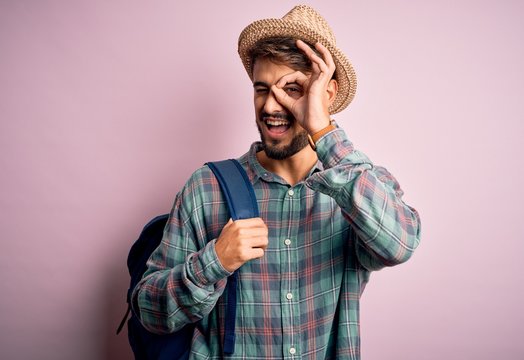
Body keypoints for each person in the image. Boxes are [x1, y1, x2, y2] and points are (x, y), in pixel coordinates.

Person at [132, 4, 421, 359]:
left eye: (292, 89)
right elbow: (149, 311)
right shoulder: (206, 188)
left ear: (325, 95)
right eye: (262, 89)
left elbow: (400, 244)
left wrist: (323, 131)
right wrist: (214, 262)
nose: (271, 105)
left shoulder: (357, 190)